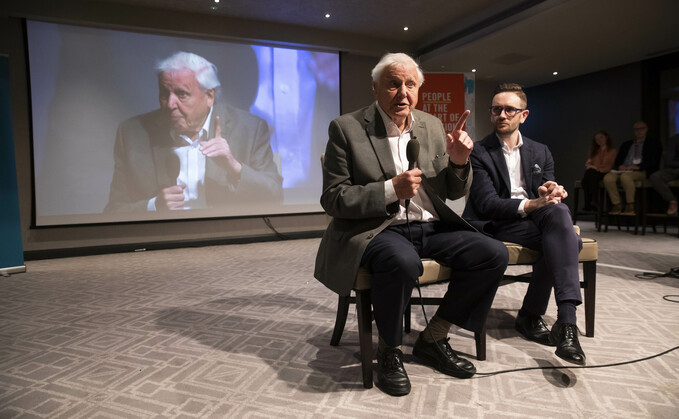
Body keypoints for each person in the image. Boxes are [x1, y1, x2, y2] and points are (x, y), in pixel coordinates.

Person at [314, 53, 508, 396]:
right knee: (402, 262)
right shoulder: (346, 128)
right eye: (393, 83)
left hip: (430, 226)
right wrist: (391, 190)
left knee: (492, 253)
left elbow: (450, 189)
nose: (403, 92)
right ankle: (390, 350)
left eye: (410, 84)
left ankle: (434, 337)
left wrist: (461, 164)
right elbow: (333, 198)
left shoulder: (430, 125)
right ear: (376, 87)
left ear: (419, 88)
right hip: (379, 229)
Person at [462, 83, 587, 366]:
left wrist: (549, 192)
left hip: (533, 219)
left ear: (524, 115)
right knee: (570, 241)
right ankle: (534, 316)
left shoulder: (540, 151)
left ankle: (565, 323)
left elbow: (544, 187)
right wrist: (532, 204)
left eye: (509, 109)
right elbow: (487, 204)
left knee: (559, 213)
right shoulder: (479, 151)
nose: (502, 115)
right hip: (495, 221)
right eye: (496, 109)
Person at [104, 51, 282, 213]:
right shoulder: (133, 134)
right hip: (162, 238)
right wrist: (153, 206)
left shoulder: (250, 129)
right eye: (165, 94)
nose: (170, 104)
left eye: (182, 94)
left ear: (209, 96)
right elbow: (113, 211)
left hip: (226, 235)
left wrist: (233, 166)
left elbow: (275, 196)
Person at [602, 121, 662, 215]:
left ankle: (630, 204)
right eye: (636, 129)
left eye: (641, 129)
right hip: (624, 170)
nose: (639, 131)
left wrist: (638, 167)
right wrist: (620, 166)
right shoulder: (627, 144)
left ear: (646, 129)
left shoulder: (653, 143)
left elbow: (654, 161)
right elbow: (618, 161)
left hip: (640, 171)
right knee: (608, 178)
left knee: (626, 177)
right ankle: (617, 204)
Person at [581, 131, 616, 211]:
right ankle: (593, 200)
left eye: (601, 137)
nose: (599, 140)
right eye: (597, 139)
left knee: (588, 177)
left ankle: (589, 203)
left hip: (605, 172)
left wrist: (596, 168)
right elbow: (588, 164)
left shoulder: (612, 151)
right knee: (589, 174)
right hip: (593, 173)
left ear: (606, 137)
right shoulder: (594, 151)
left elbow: (610, 166)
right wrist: (591, 167)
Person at [649, 133, 679, 216]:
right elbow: (669, 161)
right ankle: (672, 200)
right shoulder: (675, 139)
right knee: (655, 177)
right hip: (675, 168)